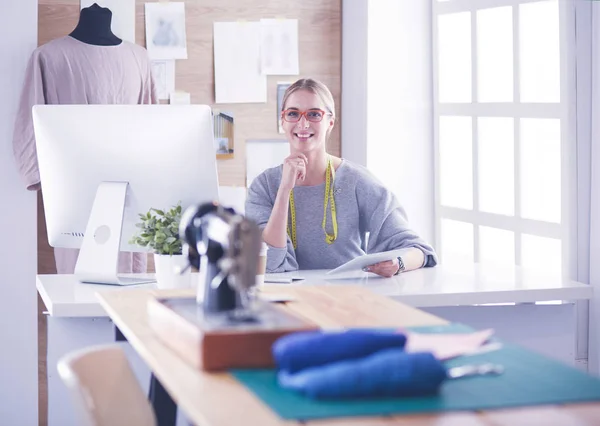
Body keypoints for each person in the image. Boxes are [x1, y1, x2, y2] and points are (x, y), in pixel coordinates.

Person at [245, 78, 437, 277]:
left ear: (330, 122)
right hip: (289, 299)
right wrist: (284, 189)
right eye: (293, 114)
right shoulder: (264, 186)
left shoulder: (356, 180)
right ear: (283, 121)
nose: (303, 123)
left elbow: (419, 250)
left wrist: (398, 263)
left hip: (348, 294)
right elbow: (270, 264)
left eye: (314, 114)